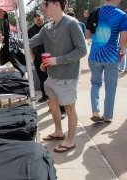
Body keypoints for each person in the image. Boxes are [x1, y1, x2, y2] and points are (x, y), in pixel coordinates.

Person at [25, 0, 87, 153]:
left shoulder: (72, 23)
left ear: (57, 4)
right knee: (52, 105)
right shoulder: (47, 27)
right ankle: (59, 132)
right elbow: (30, 42)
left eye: (46, 4)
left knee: (69, 108)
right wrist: (10, 41)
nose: (43, 7)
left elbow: (82, 50)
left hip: (68, 76)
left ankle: (70, 140)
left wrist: (56, 60)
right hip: (52, 75)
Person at [86, 0, 127, 123]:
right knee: (110, 87)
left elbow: (87, 35)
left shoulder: (95, 11)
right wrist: (122, 51)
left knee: (95, 84)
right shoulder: (122, 15)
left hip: (95, 56)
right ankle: (108, 116)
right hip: (111, 57)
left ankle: (95, 111)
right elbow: (124, 38)